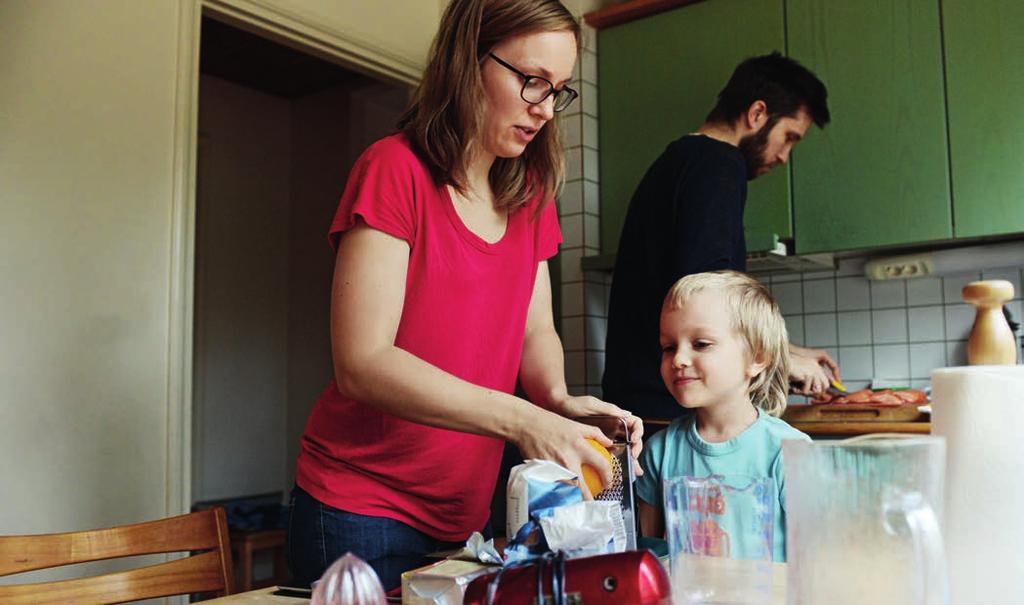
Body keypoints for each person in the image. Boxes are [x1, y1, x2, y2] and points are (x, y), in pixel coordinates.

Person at [286, 0, 642, 592]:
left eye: (559, 90)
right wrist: (524, 419)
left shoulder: (530, 195)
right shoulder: (394, 170)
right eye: (531, 81)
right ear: (467, 60)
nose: (546, 109)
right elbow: (362, 364)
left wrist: (557, 401)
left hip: (466, 517)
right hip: (358, 510)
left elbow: (535, 332)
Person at [602, 52, 840, 419]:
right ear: (757, 113)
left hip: (643, 402)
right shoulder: (719, 165)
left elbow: (705, 292)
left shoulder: (680, 160)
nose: (784, 157)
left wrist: (787, 349)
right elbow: (708, 295)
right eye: (788, 137)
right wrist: (780, 359)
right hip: (672, 407)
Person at [636, 270, 811, 561]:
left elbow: (814, 559)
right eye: (668, 347)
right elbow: (652, 556)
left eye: (701, 344)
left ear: (757, 357)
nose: (678, 359)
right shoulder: (659, 451)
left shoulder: (790, 452)